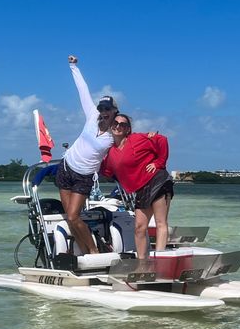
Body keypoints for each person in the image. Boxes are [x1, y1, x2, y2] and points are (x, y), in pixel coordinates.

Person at [55, 55, 119, 254]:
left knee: (74, 216)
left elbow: (131, 146)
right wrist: (73, 66)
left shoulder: (115, 133)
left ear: (115, 111)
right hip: (66, 168)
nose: (103, 111)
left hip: (84, 177)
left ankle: (94, 252)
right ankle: (82, 254)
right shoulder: (92, 116)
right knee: (69, 216)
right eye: (101, 108)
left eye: (107, 108)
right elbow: (82, 89)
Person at [100, 114, 174, 259]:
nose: (118, 126)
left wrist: (159, 163)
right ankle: (142, 263)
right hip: (141, 188)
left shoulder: (137, 139)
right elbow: (107, 172)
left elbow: (162, 140)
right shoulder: (110, 152)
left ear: (128, 129)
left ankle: (159, 261)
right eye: (115, 123)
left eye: (123, 124)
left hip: (157, 180)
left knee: (160, 223)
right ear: (111, 125)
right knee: (139, 228)